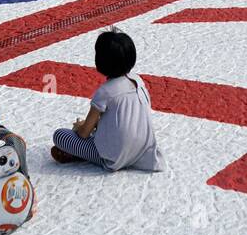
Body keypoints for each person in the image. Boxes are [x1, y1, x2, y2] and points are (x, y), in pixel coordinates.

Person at [51, 30, 164, 172]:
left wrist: (81, 126)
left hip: (115, 156)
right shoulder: (138, 81)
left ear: (101, 62)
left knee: (60, 135)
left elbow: (84, 133)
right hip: (143, 150)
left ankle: (81, 154)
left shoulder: (105, 91)